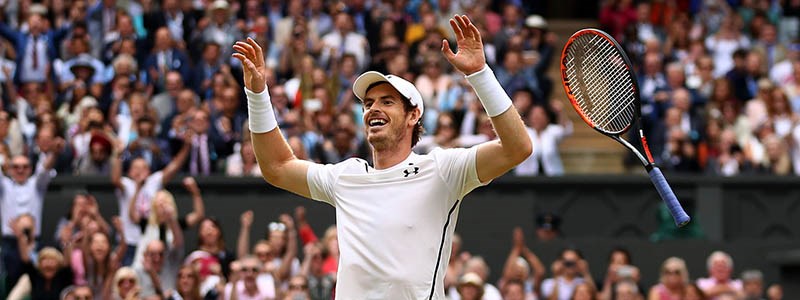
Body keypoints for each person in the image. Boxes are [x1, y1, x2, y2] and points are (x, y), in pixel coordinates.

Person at [232, 14, 532, 298]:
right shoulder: (345, 176)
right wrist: (257, 95)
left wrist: (480, 74)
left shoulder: (442, 169)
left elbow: (517, 148)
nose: (373, 108)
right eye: (368, 103)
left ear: (413, 115)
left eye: (387, 102)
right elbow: (277, 167)